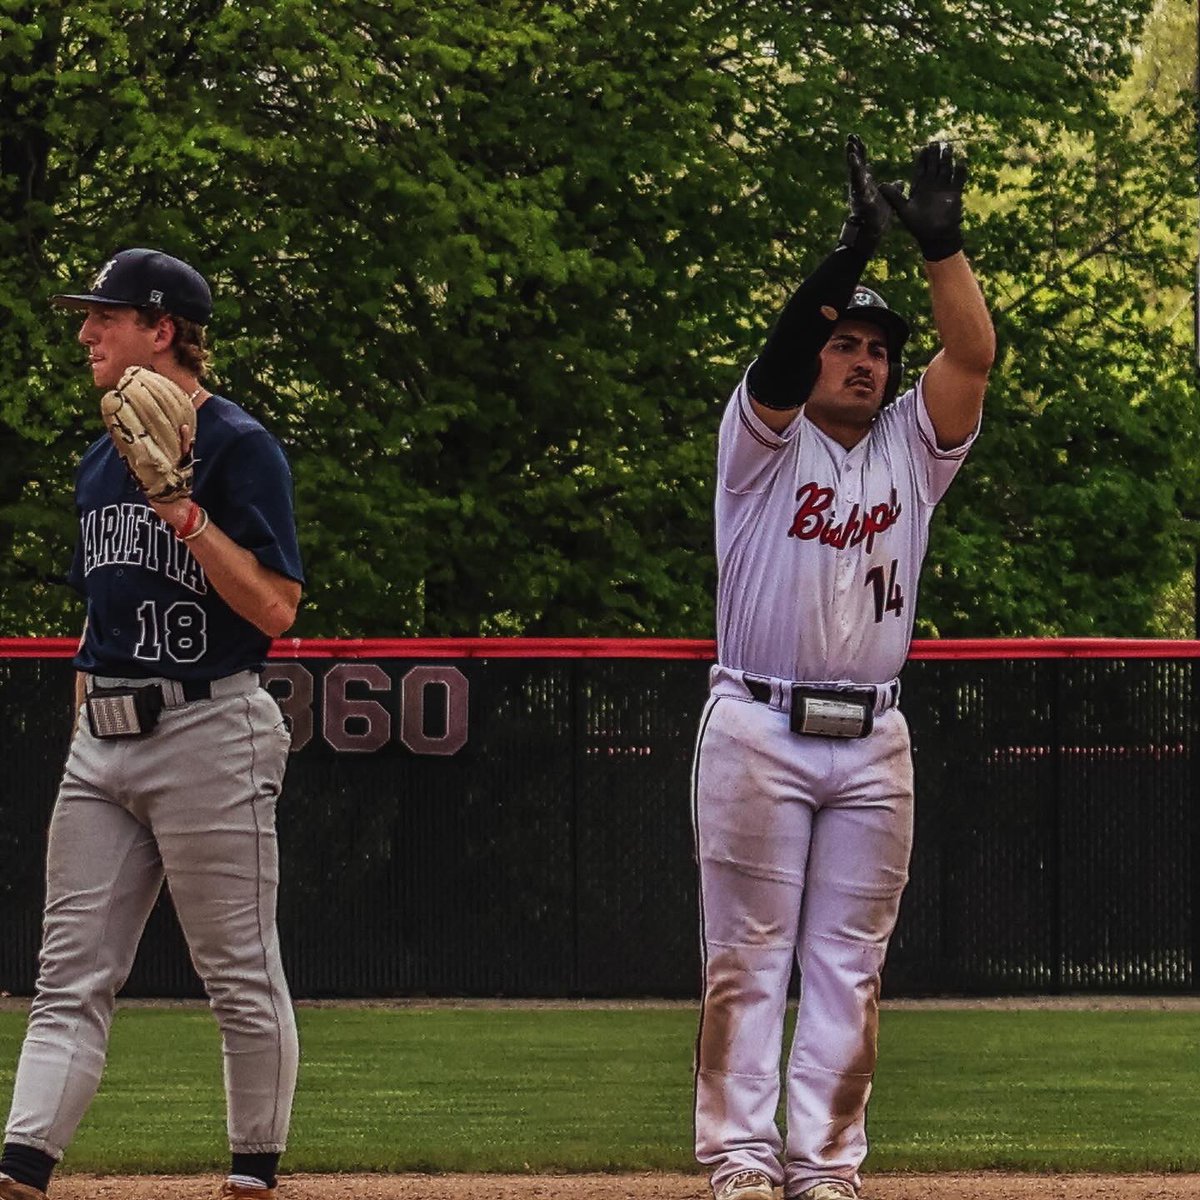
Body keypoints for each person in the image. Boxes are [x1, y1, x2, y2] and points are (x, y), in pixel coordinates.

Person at [691, 136, 995, 1200]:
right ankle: (738, 1156)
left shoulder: (910, 448)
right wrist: (845, 255)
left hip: (875, 736)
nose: (865, 357)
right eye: (847, 341)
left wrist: (941, 248)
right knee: (748, 959)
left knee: (848, 971)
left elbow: (970, 360)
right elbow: (778, 360)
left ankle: (824, 1165)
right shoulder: (760, 443)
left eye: (878, 345)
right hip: (759, 726)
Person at [0, 248, 303, 1200]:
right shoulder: (101, 452)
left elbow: (276, 610)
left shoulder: (240, 445)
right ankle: (22, 1163)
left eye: (105, 315)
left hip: (209, 728)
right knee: (68, 975)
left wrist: (181, 508)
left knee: (237, 973)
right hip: (104, 741)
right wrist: (85, 712)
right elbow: (102, 607)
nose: (86, 331)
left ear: (160, 327)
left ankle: (252, 1172)